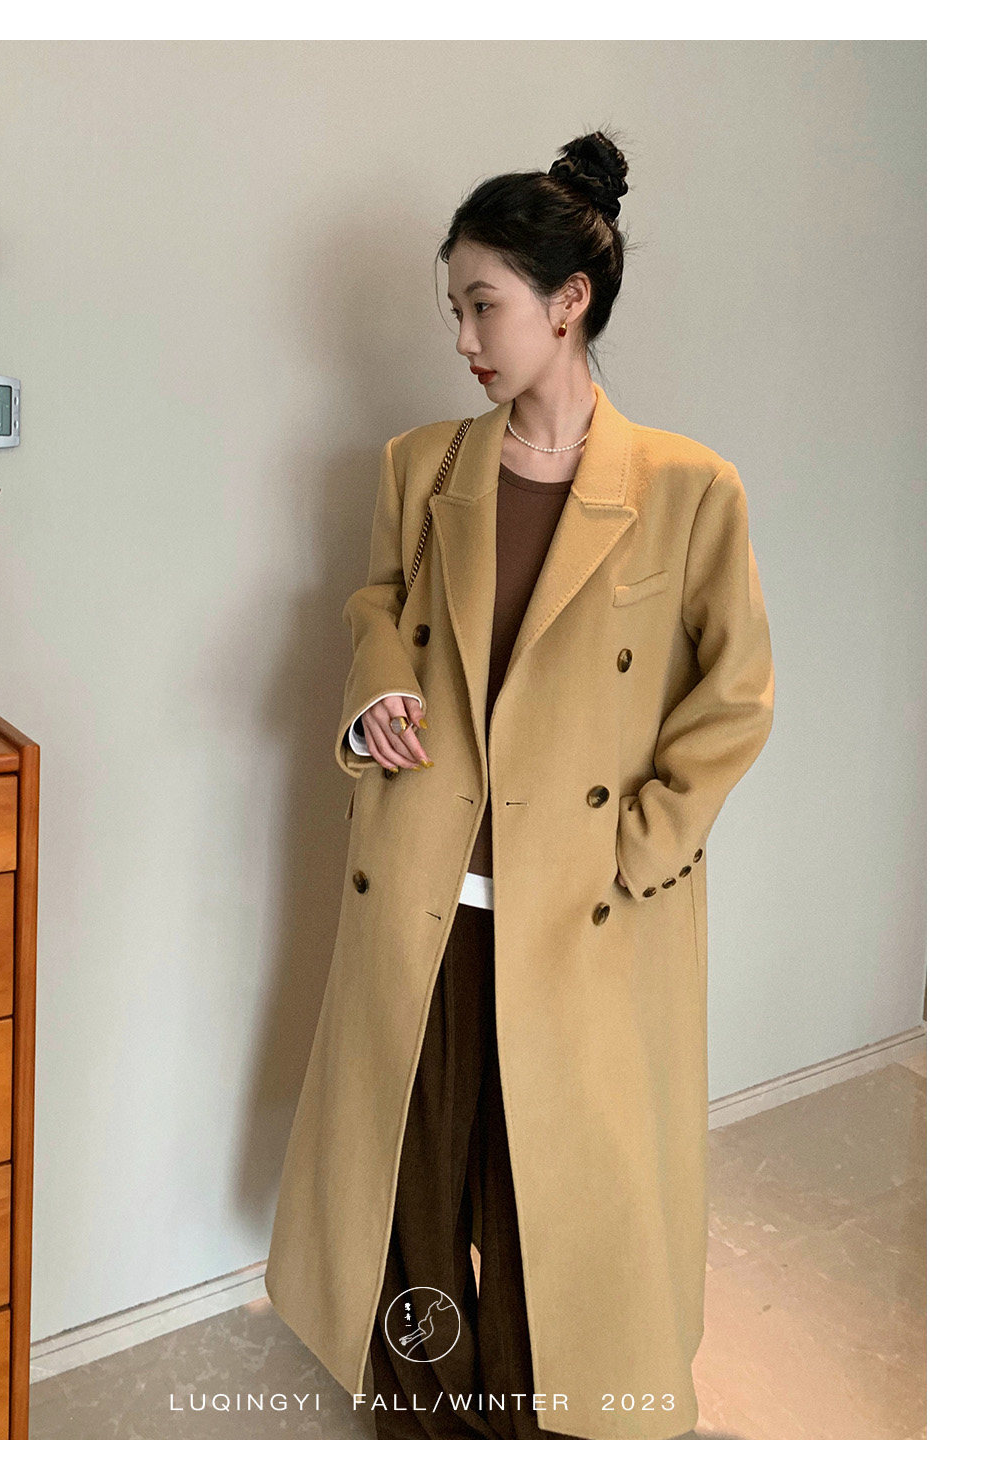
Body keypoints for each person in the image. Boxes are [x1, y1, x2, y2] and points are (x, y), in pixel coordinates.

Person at [263, 127, 775, 1441]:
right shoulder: (423, 465)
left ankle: (552, 1424)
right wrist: (378, 686)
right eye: (454, 308)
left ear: (568, 301)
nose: (463, 338)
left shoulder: (687, 487)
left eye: (482, 304)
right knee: (413, 1176)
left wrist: (642, 848)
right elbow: (376, 601)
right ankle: (428, 1416)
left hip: (586, 903)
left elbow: (735, 698)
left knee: (557, 1189)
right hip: (430, 882)